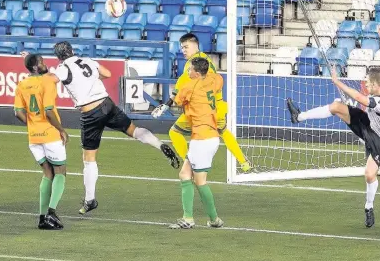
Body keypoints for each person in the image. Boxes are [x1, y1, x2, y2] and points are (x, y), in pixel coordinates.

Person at [44, 41, 180, 215]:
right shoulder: (87, 61)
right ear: (71, 51)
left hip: (90, 113)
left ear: (58, 57)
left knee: (89, 158)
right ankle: (159, 144)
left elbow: (52, 80)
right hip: (107, 104)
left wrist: (43, 73)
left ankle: (90, 200)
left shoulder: (63, 68)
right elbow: (107, 74)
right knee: (133, 130)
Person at [286, 26, 380, 228]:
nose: (365, 84)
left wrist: (337, 82)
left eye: (367, 83)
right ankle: (299, 117)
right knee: (335, 107)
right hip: (368, 122)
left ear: (376, 85)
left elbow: (359, 98)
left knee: (369, 175)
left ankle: (368, 207)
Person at [151, 33, 251, 172]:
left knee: (174, 132)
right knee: (223, 131)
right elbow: (185, 82)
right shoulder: (204, 60)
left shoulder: (194, 65)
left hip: (202, 110)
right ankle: (244, 162)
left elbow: (184, 87)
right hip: (217, 106)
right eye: (182, 48)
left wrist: (169, 103)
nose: (183, 50)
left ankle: (189, 162)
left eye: (186, 47)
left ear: (195, 45)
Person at [14, 53, 69, 230]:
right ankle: (51, 213)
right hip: (50, 134)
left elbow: (18, 112)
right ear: (37, 67)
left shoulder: (21, 84)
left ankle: (42, 218)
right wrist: (61, 130)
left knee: (47, 173)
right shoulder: (47, 82)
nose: (45, 65)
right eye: (42, 63)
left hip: (33, 137)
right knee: (60, 171)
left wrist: (32, 124)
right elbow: (49, 110)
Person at [168, 57, 224, 229]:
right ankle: (188, 217)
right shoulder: (215, 80)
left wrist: (166, 105)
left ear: (197, 73)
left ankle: (214, 219)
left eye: (190, 69)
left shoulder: (189, 86)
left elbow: (176, 102)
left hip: (202, 139)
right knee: (185, 174)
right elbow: (216, 78)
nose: (187, 71)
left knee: (200, 182)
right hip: (210, 136)